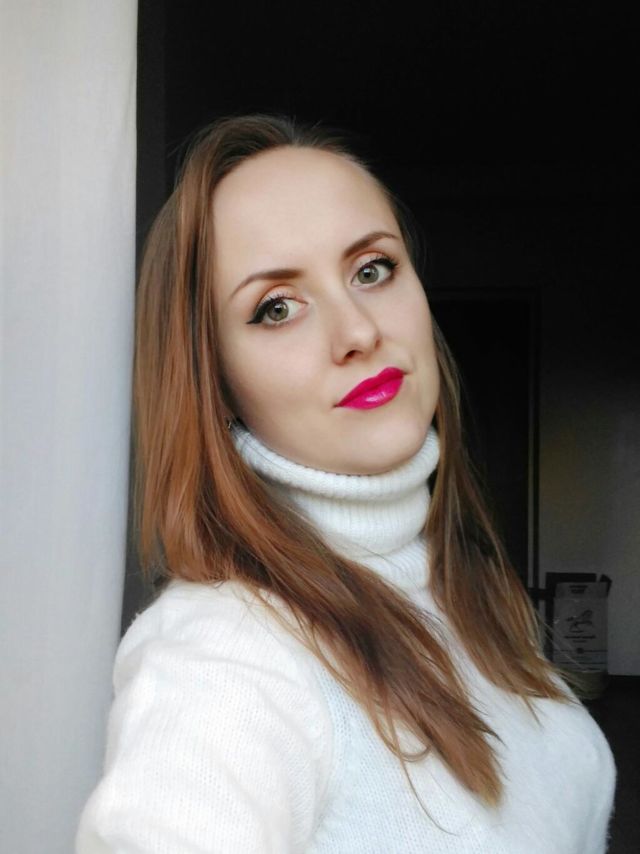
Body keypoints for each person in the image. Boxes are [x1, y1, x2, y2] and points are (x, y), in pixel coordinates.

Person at [75, 112, 616, 853]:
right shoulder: (227, 656)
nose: (358, 331)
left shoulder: (468, 592)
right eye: (276, 308)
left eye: (372, 269)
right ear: (216, 382)